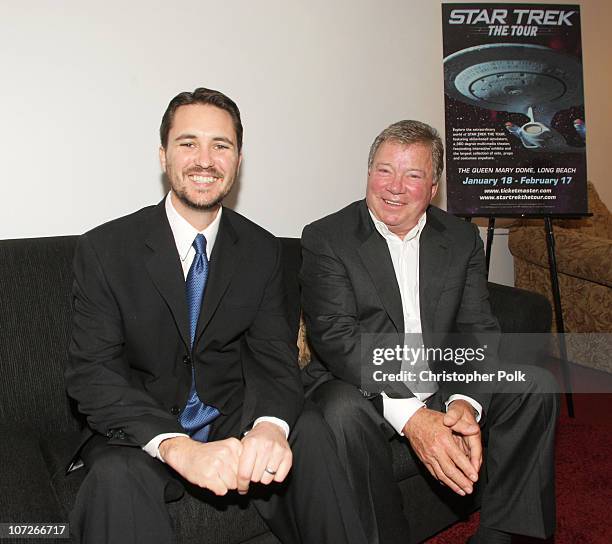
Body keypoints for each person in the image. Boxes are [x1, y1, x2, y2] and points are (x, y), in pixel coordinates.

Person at [65, 87, 367, 544]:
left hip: (230, 418)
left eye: (220, 146)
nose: (204, 160)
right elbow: (92, 374)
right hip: (140, 430)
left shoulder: (263, 250)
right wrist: (176, 446)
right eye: (188, 143)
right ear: (163, 155)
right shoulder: (106, 250)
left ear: (238, 160)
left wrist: (269, 426)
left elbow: (273, 357)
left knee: (304, 427)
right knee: (115, 478)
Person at [300, 120, 558, 544]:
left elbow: (478, 328)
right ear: (368, 173)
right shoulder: (327, 238)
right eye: (384, 170)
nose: (394, 187)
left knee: (536, 384)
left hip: (438, 378)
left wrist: (466, 402)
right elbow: (338, 340)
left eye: (413, 174)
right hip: (360, 388)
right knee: (340, 412)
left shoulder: (459, 237)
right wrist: (415, 418)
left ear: (434, 185)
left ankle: (500, 534)